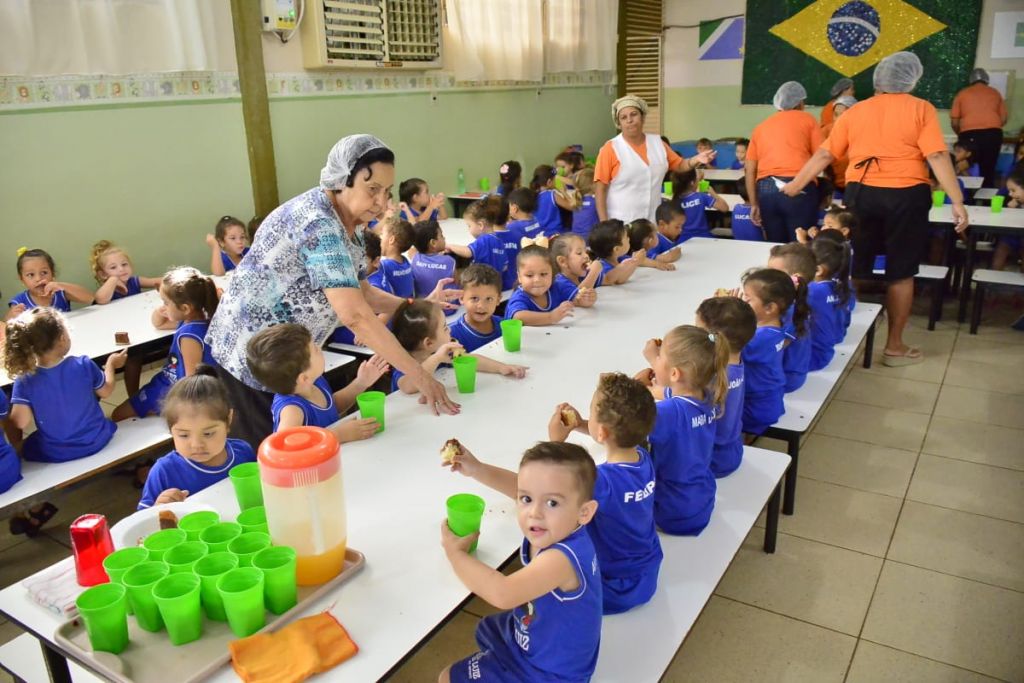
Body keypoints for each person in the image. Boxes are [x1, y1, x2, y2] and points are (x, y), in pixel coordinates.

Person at [207, 135, 461, 448]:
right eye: (372, 190)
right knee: (278, 455)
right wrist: (421, 376)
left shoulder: (348, 224)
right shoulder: (319, 224)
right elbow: (355, 315)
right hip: (254, 359)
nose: (382, 202)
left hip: (288, 357)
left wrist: (413, 303)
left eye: (387, 191)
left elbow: (362, 292)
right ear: (342, 180)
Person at [782, 52, 969, 366]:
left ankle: (837, 335)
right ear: (912, 79)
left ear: (878, 81)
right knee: (901, 272)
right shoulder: (920, 108)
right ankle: (894, 347)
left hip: (862, 193)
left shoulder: (856, 111)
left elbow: (825, 155)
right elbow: (937, 157)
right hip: (908, 195)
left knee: (850, 266)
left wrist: (795, 185)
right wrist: (958, 202)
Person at [439, 441, 602, 683]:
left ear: (584, 512)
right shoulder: (561, 527)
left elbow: (502, 594)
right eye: (526, 499)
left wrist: (455, 554)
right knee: (486, 628)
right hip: (542, 639)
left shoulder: (560, 558)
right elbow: (517, 486)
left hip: (551, 673)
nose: (534, 512)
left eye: (552, 503)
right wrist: (478, 469)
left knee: (447, 677)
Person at [546, 373, 662, 614]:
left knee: (548, 548)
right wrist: (580, 424)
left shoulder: (601, 481)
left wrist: (556, 442)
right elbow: (618, 435)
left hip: (613, 588)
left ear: (602, 433)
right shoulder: (643, 457)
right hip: (647, 574)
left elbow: (549, 487)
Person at [637, 325, 729, 535]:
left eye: (659, 358)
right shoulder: (707, 395)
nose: (655, 360)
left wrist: (630, 386)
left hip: (672, 512)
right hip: (701, 500)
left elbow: (617, 431)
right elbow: (676, 396)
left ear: (675, 373)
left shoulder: (667, 413)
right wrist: (654, 386)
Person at [4, 307, 125, 463]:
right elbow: (106, 391)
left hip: (57, 452)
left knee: (24, 446)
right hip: (97, 438)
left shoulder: (25, 379)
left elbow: (21, 422)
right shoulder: (83, 364)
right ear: (62, 338)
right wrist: (111, 365)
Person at [138, 366, 257, 509]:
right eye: (183, 435)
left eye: (208, 434)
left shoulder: (243, 452)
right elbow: (143, 521)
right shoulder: (164, 472)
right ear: (171, 430)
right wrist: (158, 508)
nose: (196, 444)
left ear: (228, 420)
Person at [246, 323, 385, 441]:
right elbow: (286, 444)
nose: (320, 348)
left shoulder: (314, 381)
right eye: (316, 350)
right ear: (303, 378)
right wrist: (339, 435)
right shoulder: (292, 410)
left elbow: (331, 406)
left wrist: (361, 382)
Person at [112, 267, 218, 421]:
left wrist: (178, 408)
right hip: (169, 380)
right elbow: (159, 325)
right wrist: (161, 310)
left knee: (117, 415)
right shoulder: (196, 318)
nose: (163, 305)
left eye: (165, 302)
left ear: (185, 308)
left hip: (174, 388)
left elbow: (192, 379)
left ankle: (159, 412)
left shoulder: (189, 335)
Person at [594, 94, 714, 223]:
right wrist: (604, 223)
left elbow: (679, 165)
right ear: (619, 124)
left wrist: (695, 159)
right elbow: (600, 188)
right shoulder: (610, 148)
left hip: (652, 220)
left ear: (643, 117)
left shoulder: (658, 143)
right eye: (623, 117)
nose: (629, 120)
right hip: (621, 221)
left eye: (634, 114)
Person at [390, 299, 526, 393]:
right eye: (444, 328)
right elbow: (409, 386)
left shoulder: (442, 351)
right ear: (429, 343)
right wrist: (436, 358)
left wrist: (501, 367)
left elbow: (470, 360)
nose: (449, 330)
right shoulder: (403, 362)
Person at [745, 81, 823, 243]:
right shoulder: (808, 120)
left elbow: (750, 169)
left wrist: (754, 204)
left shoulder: (761, 127)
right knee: (802, 245)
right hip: (799, 186)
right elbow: (821, 156)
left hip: (766, 190)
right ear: (800, 103)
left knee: (777, 246)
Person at [696, 296, 757, 477]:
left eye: (699, 332)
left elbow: (676, 395)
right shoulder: (735, 356)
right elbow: (736, 328)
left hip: (710, 460)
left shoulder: (713, 376)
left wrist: (655, 361)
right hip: (733, 450)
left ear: (715, 340)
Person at [739, 269, 794, 435]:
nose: (742, 301)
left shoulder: (759, 339)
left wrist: (716, 320)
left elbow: (723, 347)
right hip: (770, 400)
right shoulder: (777, 327)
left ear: (770, 308)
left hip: (755, 409)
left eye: (747, 299)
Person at [766, 243, 815, 392]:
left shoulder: (789, 310)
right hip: (793, 371)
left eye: (773, 273)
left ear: (795, 279)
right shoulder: (799, 299)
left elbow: (769, 347)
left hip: (786, 378)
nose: (766, 278)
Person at [951, 68, 1008, 187]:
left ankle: (966, 199)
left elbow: (955, 122)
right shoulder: (995, 93)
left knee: (965, 166)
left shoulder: (962, 94)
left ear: (970, 81)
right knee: (988, 169)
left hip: (968, 134)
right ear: (987, 80)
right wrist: (990, 127)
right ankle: (987, 202)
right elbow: (1003, 119)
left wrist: (961, 134)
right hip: (993, 134)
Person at [808, 239, 852, 371]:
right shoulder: (840, 284)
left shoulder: (813, 291)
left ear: (818, 270)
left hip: (814, 356)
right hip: (835, 339)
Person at [504, 245, 576, 326]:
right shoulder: (519, 297)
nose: (537, 280)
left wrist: (585, 298)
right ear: (519, 277)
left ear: (552, 274)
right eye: (529, 275)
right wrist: (551, 317)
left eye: (543, 274)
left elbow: (577, 298)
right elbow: (518, 317)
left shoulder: (557, 286)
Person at [8, 248, 93, 315]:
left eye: (44, 272)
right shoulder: (19, 301)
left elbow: (91, 298)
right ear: (22, 279)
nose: (38, 278)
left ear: (52, 274)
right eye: (31, 275)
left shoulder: (60, 292)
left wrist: (62, 286)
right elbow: (5, 324)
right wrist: (11, 315)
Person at [445, 199, 508, 281]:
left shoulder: (484, 240)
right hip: (495, 283)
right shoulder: (499, 241)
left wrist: (449, 246)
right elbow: (504, 266)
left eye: (469, 226)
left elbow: (467, 252)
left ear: (480, 225)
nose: (468, 229)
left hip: (481, 283)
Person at [447, 264, 505, 352]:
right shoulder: (449, 334)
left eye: (489, 299)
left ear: (498, 300)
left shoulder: (504, 326)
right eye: (474, 298)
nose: (481, 306)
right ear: (461, 298)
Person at [90, 240, 162, 304]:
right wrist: (113, 279)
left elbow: (156, 281)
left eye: (124, 264)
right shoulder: (108, 288)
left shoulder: (134, 281)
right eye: (113, 267)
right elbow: (100, 300)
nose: (121, 269)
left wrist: (172, 277)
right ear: (103, 274)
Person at [671, 169, 729, 242]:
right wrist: (713, 193)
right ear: (692, 183)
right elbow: (725, 208)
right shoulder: (701, 197)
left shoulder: (674, 200)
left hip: (683, 239)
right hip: (704, 237)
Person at [550, 234, 601, 307]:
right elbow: (581, 300)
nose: (586, 256)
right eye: (579, 253)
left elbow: (609, 280)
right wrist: (594, 272)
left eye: (586, 252)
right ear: (562, 261)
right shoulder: (559, 283)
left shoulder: (581, 275)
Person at [587, 220, 641, 285]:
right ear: (617, 249)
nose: (629, 239)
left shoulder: (620, 258)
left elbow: (639, 260)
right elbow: (619, 280)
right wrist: (635, 263)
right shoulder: (603, 266)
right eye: (626, 237)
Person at [821, 95, 856, 193]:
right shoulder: (826, 131)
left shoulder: (861, 133)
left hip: (856, 185)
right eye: (836, 114)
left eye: (843, 115)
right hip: (832, 185)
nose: (838, 119)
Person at [411, 221, 456, 298]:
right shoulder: (450, 261)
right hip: (448, 307)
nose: (444, 237)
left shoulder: (415, 258)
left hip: (423, 306)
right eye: (441, 235)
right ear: (433, 243)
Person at [373, 217, 416, 298]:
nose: (379, 237)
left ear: (391, 240)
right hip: (408, 306)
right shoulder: (405, 262)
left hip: (394, 308)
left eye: (381, 234)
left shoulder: (383, 266)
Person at [571, 168, 600, 239]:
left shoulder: (577, 201)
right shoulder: (595, 202)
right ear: (593, 185)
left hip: (576, 238)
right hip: (592, 239)